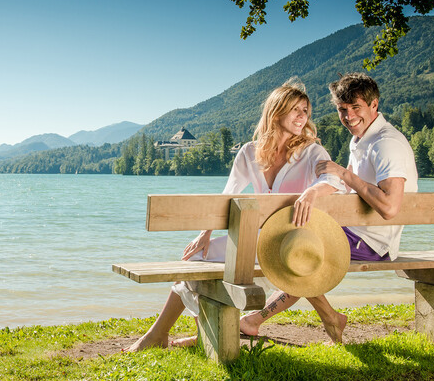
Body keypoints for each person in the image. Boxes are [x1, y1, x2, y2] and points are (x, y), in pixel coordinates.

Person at [127, 78, 346, 352]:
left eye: (306, 111)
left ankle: (164, 336)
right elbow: (227, 194)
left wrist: (312, 193)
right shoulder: (249, 152)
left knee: (197, 264)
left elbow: (335, 180)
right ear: (276, 111)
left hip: (290, 247)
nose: (303, 117)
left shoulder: (312, 152)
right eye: (296, 110)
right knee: (194, 256)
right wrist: (204, 233)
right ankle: (186, 333)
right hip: (257, 243)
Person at [239, 72, 418, 343]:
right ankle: (322, 319)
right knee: (296, 237)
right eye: (342, 110)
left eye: (355, 108)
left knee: (296, 244)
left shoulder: (385, 143)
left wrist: (344, 176)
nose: (348, 117)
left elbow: (390, 207)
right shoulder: (362, 139)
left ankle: (263, 319)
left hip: (373, 242)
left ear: (374, 105)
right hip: (356, 232)